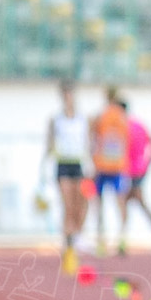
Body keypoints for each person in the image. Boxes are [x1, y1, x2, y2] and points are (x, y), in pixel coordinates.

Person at [45, 80, 90, 274]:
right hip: (63, 164)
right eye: (65, 95)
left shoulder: (82, 119)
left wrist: (91, 165)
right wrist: (43, 169)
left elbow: (87, 143)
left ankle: (76, 236)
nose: (68, 99)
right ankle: (68, 246)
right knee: (67, 205)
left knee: (81, 205)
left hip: (79, 165)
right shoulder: (56, 120)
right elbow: (49, 144)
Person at [117, 100, 151, 255]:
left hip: (130, 172)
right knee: (136, 204)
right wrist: (149, 162)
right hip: (139, 171)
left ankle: (124, 241)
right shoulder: (138, 125)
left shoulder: (124, 127)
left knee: (128, 204)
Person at [90, 86, 130, 256]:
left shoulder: (100, 117)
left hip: (102, 166)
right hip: (117, 166)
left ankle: (101, 240)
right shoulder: (122, 118)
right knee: (120, 204)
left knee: (100, 205)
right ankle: (121, 239)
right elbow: (126, 142)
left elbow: (93, 139)